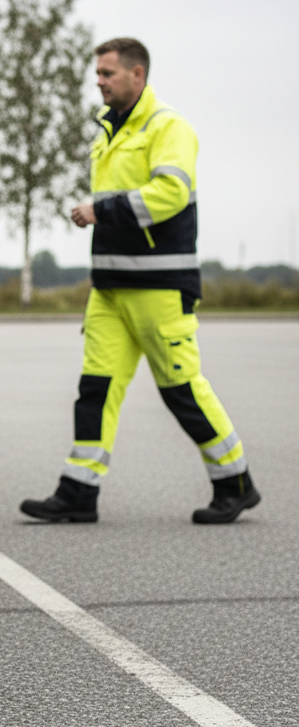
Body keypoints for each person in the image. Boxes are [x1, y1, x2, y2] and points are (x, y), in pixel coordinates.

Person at [20, 38, 260, 525]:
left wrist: (100, 208)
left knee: (181, 389)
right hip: (109, 290)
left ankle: (235, 483)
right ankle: (78, 492)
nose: (99, 81)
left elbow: (170, 193)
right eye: (98, 73)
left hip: (160, 289)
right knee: (96, 389)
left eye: (107, 73)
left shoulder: (169, 127)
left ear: (137, 75)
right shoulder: (108, 131)